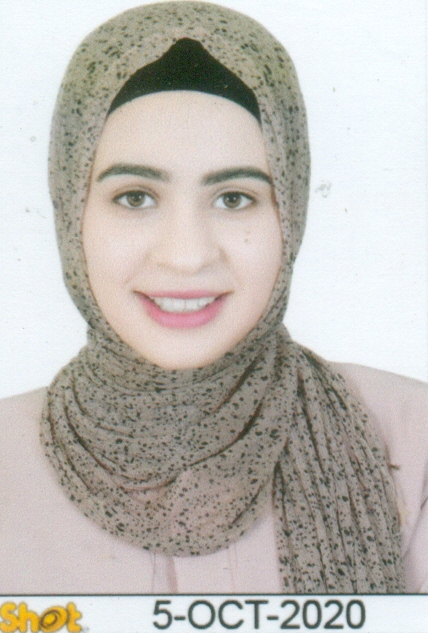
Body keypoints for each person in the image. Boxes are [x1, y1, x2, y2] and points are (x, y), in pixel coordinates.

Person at [0, 1, 426, 594]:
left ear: (290, 215)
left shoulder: (412, 442)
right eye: (134, 197)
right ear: (72, 213)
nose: (186, 255)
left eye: (234, 199)